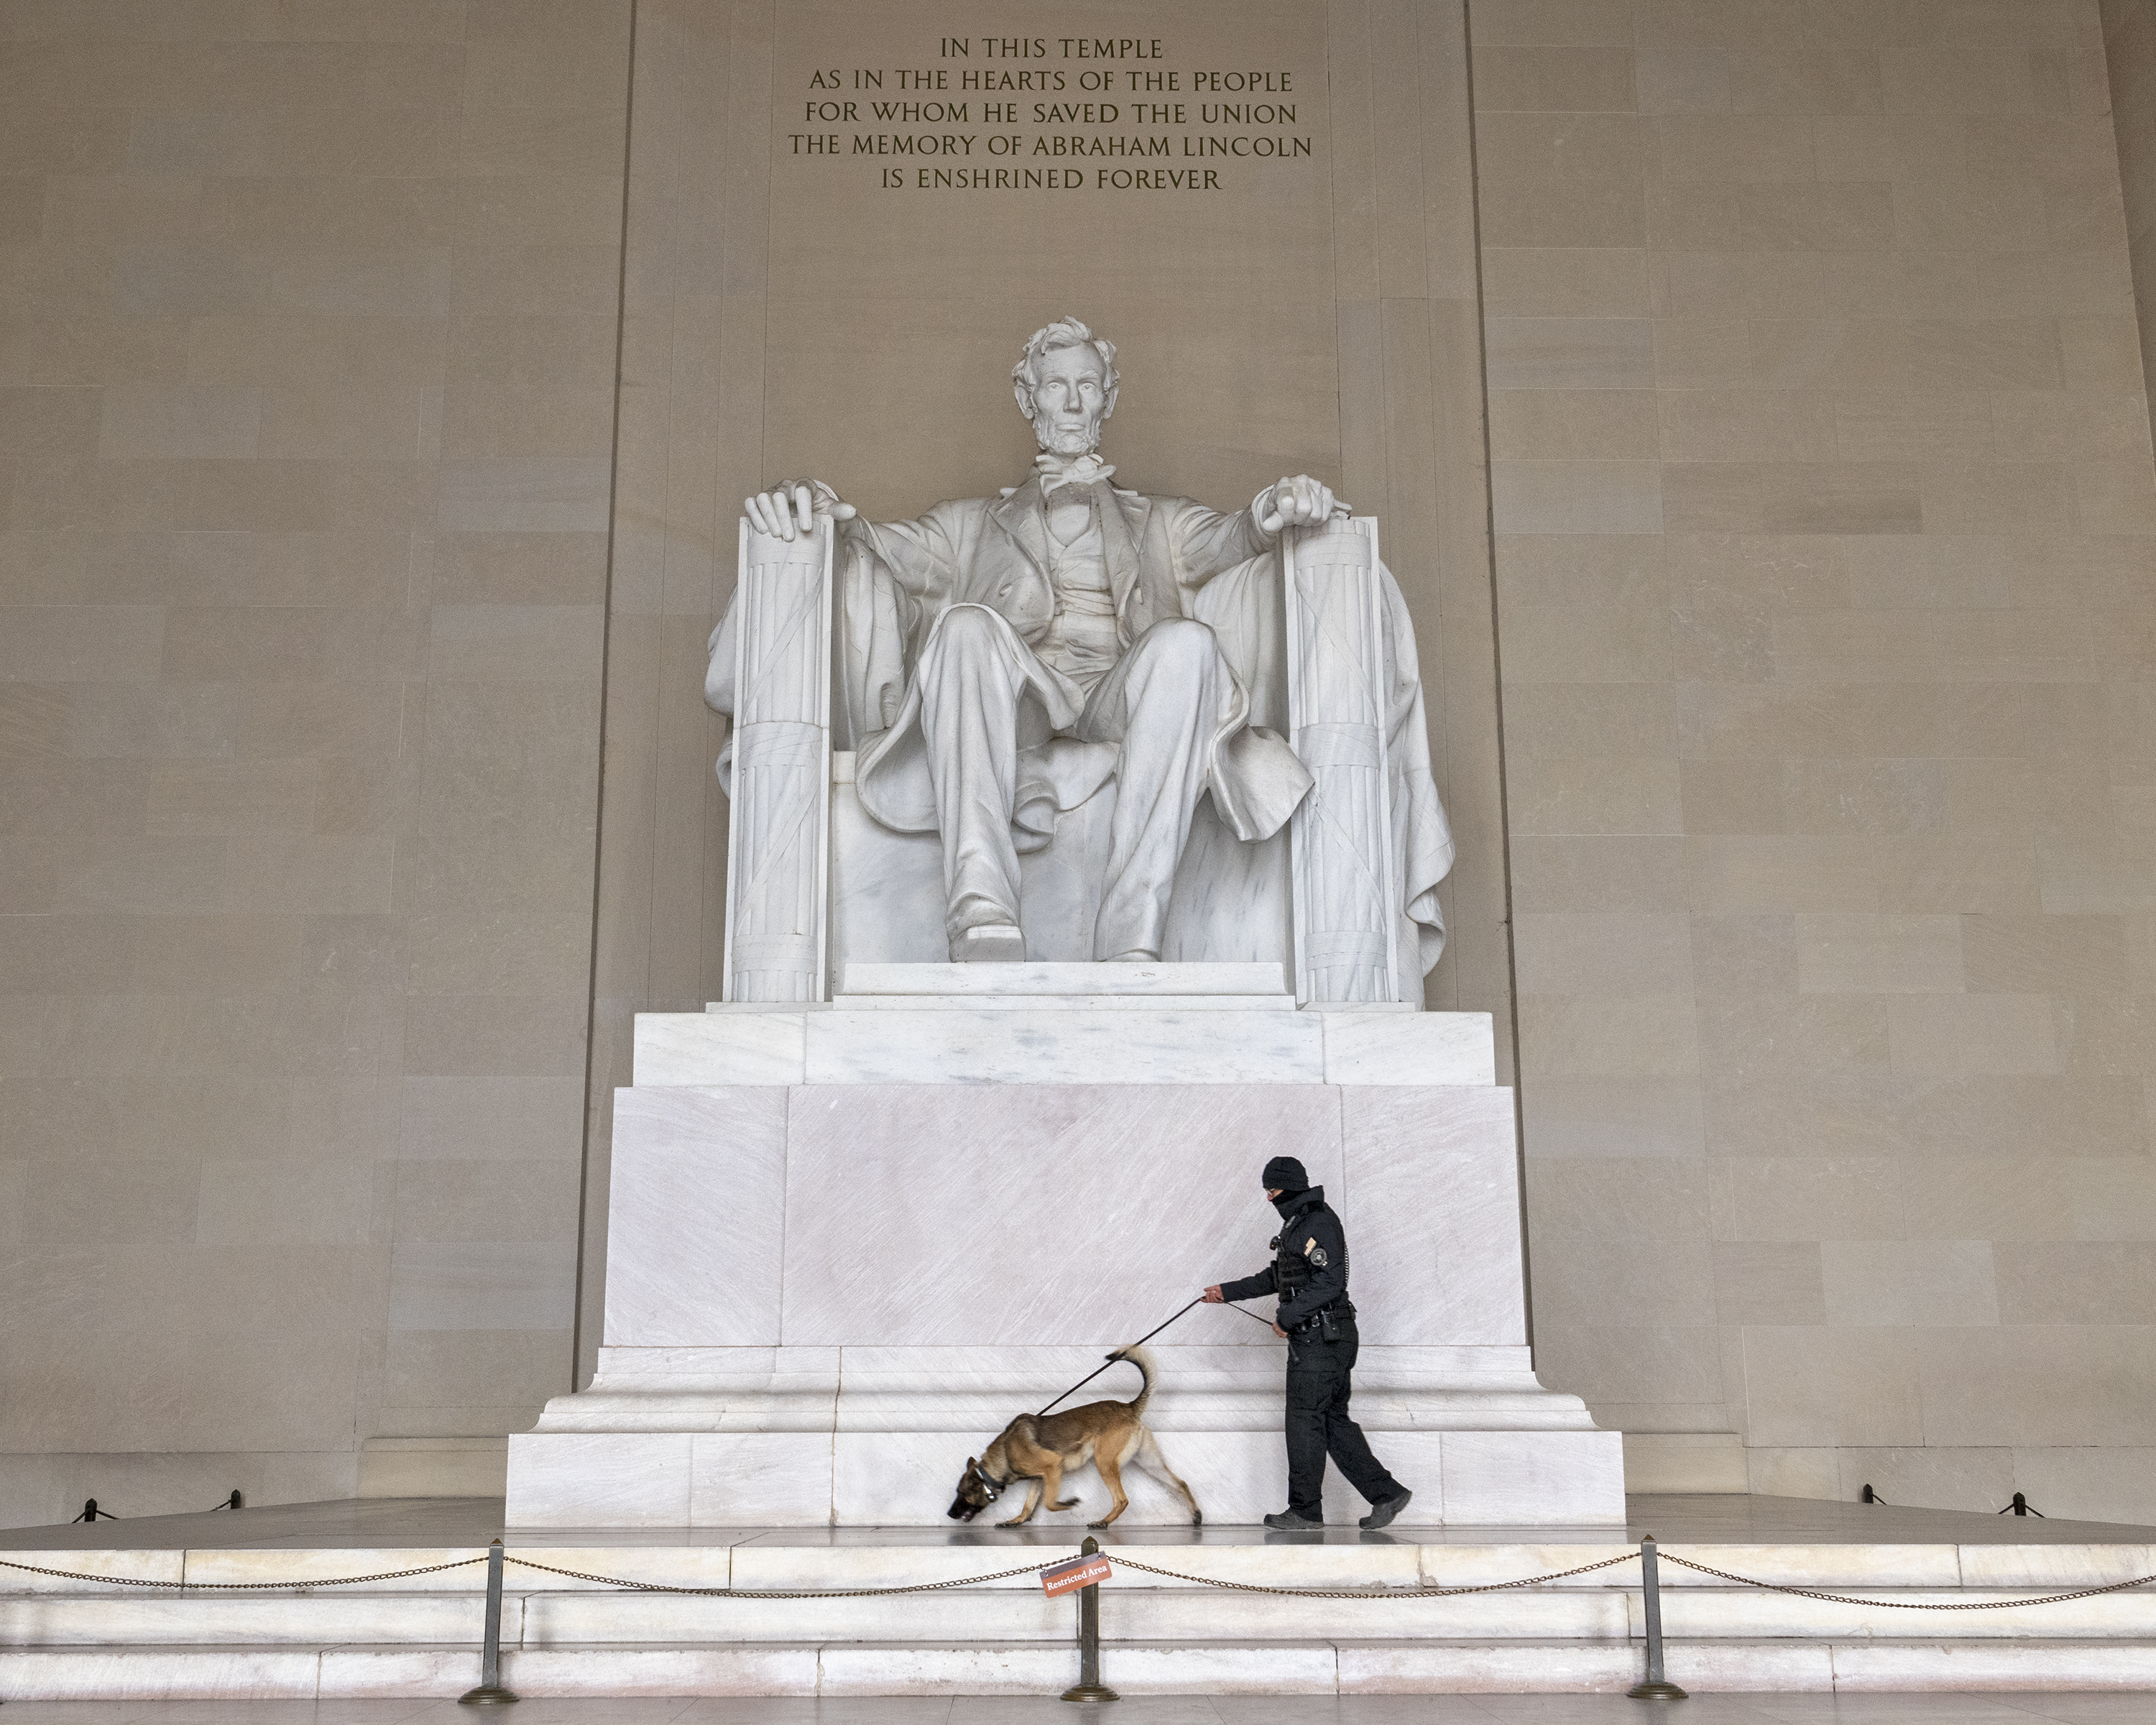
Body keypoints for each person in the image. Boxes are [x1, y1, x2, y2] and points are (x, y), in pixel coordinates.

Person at [741, 316, 1335, 965]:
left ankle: (1132, 931)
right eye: (1057, 386)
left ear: (1108, 399)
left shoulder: (1160, 521)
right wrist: (810, 503)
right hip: (1022, 694)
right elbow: (872, 542)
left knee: (1188, 644)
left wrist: (1275, 506)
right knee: (964, 626)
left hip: (1118, 696)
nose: (1074, 402)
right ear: (1029, 399)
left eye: (1088, 385)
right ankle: (980, 909)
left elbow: (1234, 536)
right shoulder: (968, 526)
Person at [1204, 1154, 1413, 1532]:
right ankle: (1386, 1494)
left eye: (1272, 1190)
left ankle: (1304, 1511)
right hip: (1326, 1337)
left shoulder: (1317, 1221)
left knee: (1303, 1421)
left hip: (1322, 1338)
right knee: (1330, 1422)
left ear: (1289, 1186)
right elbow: (1279, 1276)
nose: (1268, 1198)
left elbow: (1330, 1282)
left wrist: (1288, 1317)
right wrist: (1228, 1292)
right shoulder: (1300, 1223)